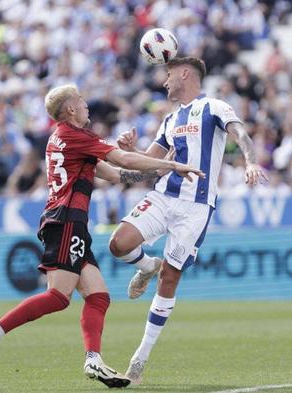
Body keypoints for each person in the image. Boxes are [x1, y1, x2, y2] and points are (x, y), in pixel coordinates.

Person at [0, 84, 204, 388]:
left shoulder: (66, 139)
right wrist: (170, 164)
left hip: (69, 222)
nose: (86, 106)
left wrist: (159, 170)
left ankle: (93, 360)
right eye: (81, 101)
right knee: (57, 296)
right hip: (66, 220)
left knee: (98, 296)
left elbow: (118, 175)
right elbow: (124, 161)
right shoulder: (75, 136)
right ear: (70, 109)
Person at [108, 57, 268, 385]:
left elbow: (240, 133)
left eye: (168, 75)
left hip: (196, 207)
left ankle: (139, 359)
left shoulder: (213, 107)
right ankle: (145, 265)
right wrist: (131, 149)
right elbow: (148, 164)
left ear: (184, 74)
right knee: (118, 243)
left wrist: (250, 162)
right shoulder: (170, 119)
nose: (164, 82)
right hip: (165, 195)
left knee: (171, 277)